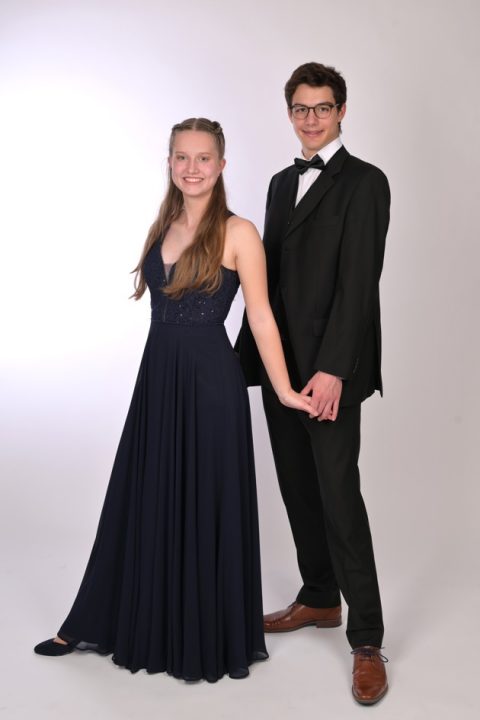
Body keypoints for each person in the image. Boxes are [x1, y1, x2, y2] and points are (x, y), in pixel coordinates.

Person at [34, 117, 315, 683]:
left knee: (205, 501)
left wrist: (285, 389)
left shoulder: (239, 232)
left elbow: (261, 317)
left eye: (203, 158)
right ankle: (104, 619)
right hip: (158, 380)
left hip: (212, 386)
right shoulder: (162, 225)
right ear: (169, 162)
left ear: (221, 165)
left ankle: (201, 637)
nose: (192, 168)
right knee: (141, 496)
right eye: (182, 157)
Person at [235, 63, 390, 704]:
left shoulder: (366, 182)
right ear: (290, 113)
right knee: (297, 487)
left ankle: (368, 639)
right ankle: (320, 596)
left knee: (338, 496)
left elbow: (359, 284)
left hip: (330, 372)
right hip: (282, 368)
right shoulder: (280, 183)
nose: (311, 119)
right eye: (300, 108)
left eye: (322, 108)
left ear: (342, 111)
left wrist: (333, 370)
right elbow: (265, 280)